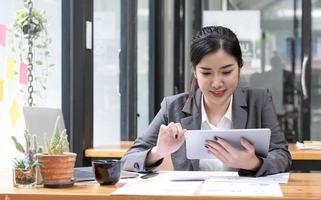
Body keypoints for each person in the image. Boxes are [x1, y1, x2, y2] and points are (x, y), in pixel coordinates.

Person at [121, 26, 291, 177]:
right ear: (195, 71)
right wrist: (158, 152)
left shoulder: (259, 101)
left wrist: (253, 163)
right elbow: (129, 159)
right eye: (206, 73)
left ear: (239, 66)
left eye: (226, 72)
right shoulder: (173, 107)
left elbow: (282, 156)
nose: (216, 83)